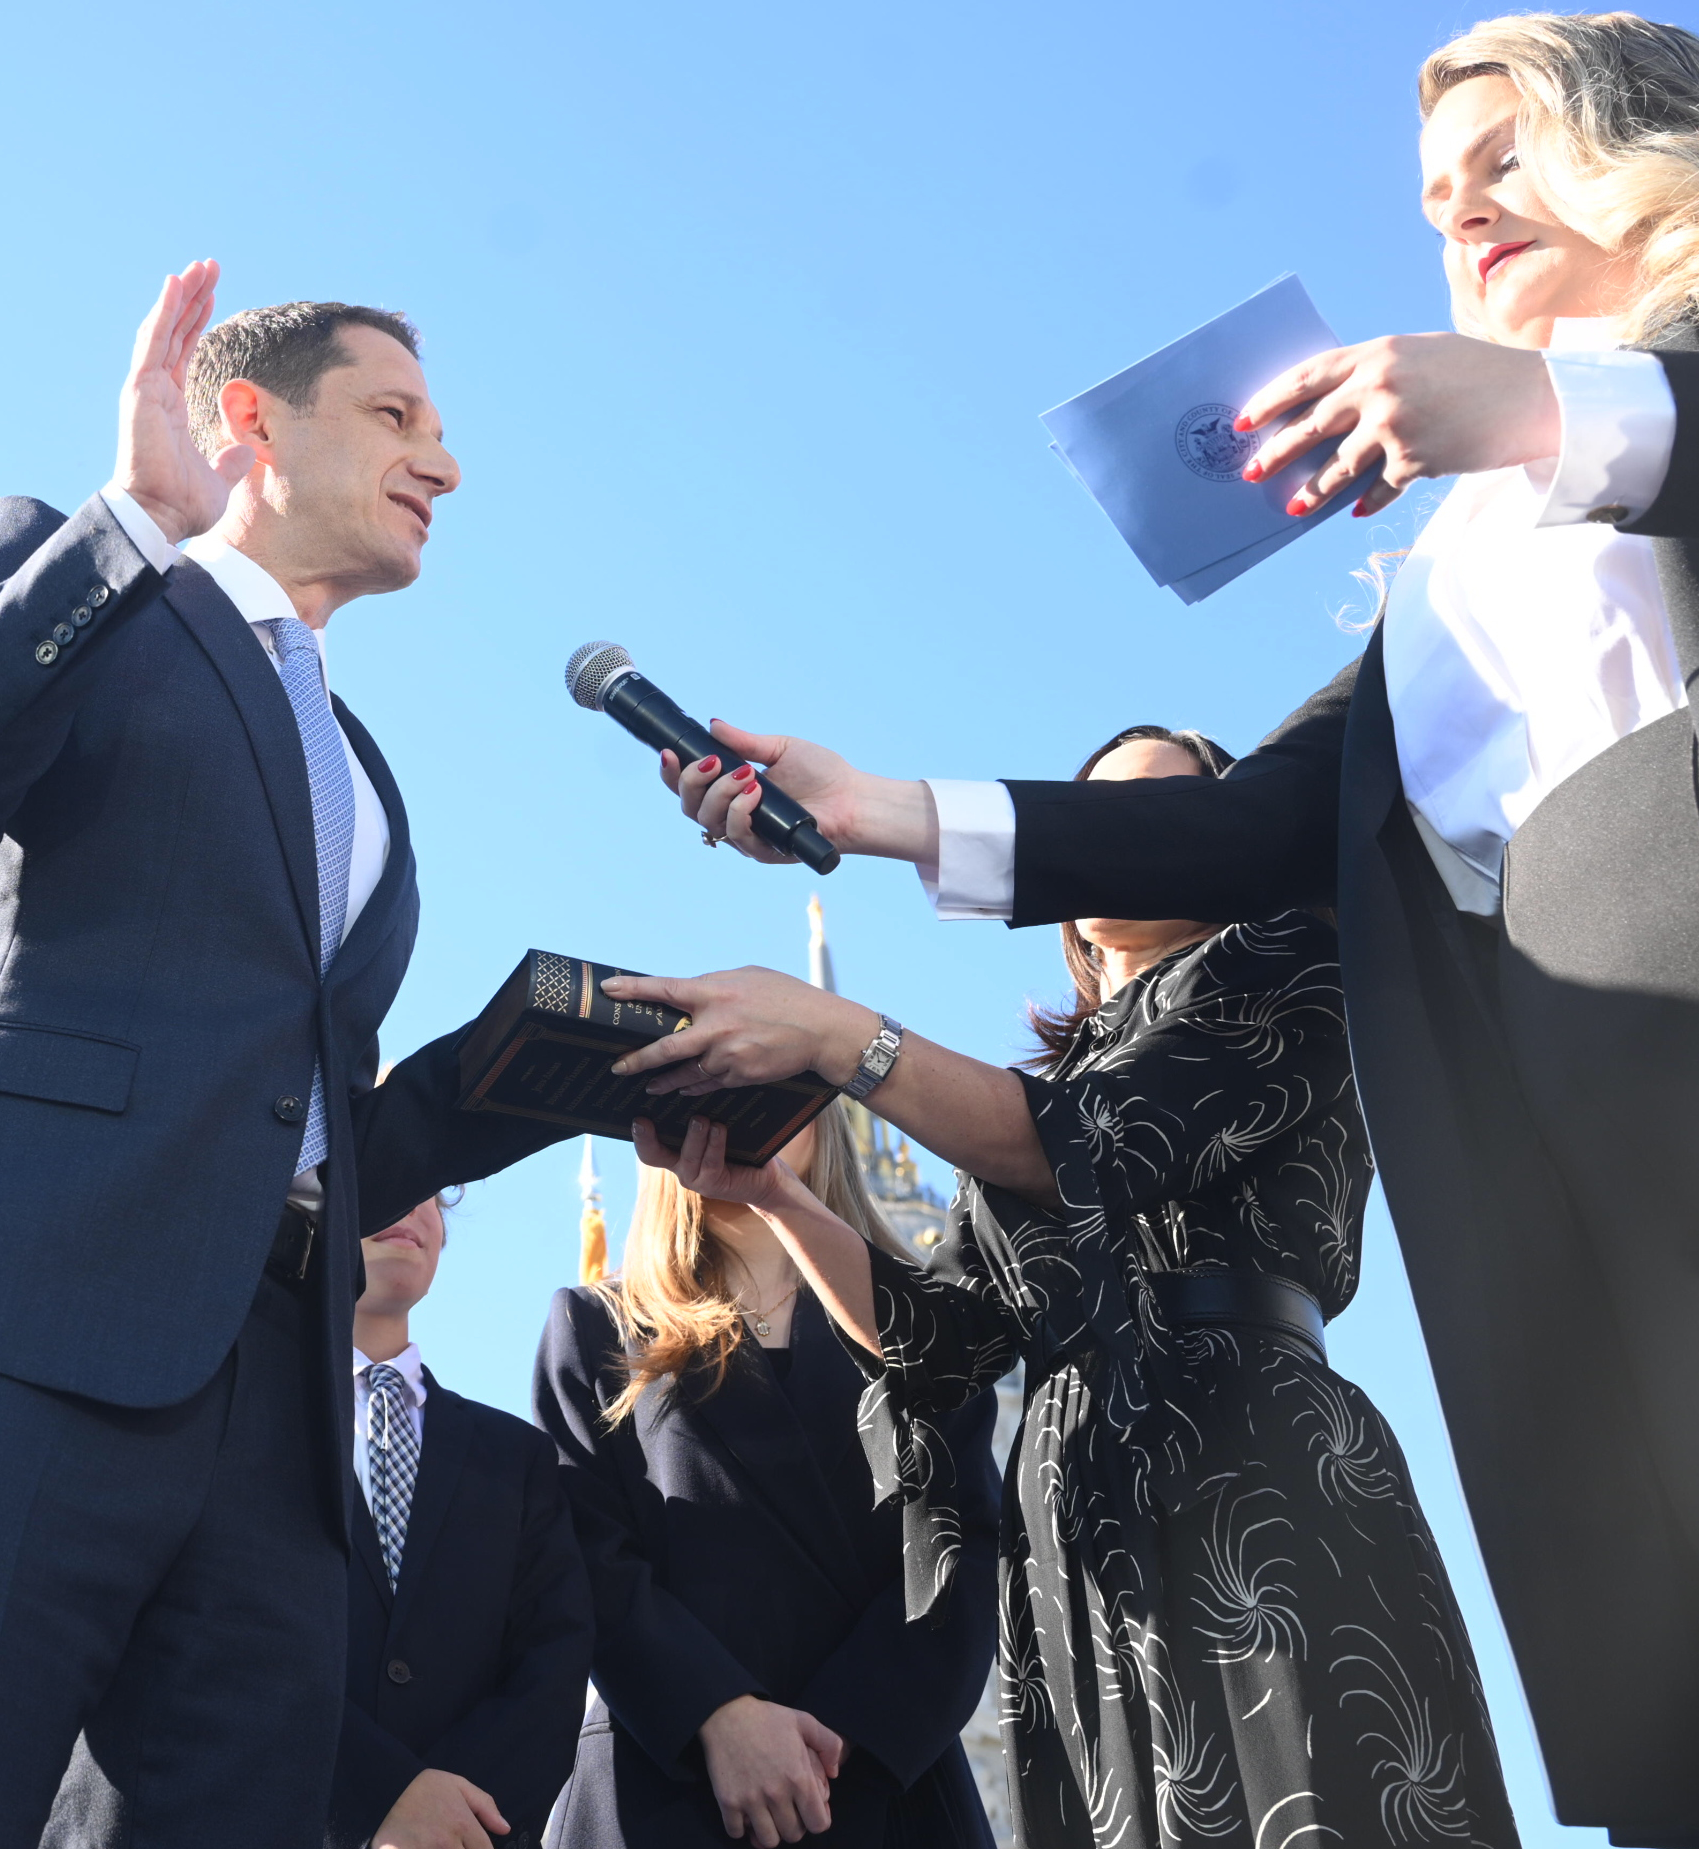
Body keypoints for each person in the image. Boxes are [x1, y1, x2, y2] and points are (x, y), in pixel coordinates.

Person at [655, 15, 1699, 1844]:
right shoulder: (1450, 570)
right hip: (1580, 1187)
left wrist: (1543, 410)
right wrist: (880, 811)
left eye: (1506, 155)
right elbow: (1247, 820)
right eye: (1436, 200)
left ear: (1648, 130)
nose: (1467, 212)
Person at [0, 267, 565, 1849]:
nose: (443, 463)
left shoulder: (368, 776)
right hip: (6, 1335)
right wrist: (125, 524)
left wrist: (559, 1069)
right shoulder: (73, 568)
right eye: (397, 417)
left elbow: (296, 1118)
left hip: (269, 1427)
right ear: (249, 420)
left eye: (445, 431)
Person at [609, 726, 1512, 1849]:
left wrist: (844, 1038)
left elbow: (1094, 1142)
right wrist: (783, 1201)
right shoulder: (1042, 1087)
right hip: (1079, 1529)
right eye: (1098, 822)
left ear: (1225, 842)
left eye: (1157, 816)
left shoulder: (1293, 967)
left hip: (1248, 1477)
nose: (1118, 844)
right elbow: (931, 1337)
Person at [532, 1110, 1001, 1849]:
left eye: (775, 1082)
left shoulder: (923, 1330)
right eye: (712, 1091)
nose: (746, 1110)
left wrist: (834, 1743)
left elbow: (966, 1552)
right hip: (668, 1785)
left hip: (879, 1786)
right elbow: (584, 1558)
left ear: (823, 1118)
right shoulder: (595, 1326)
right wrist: (719, 1715)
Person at [333, 1193, 595, 1849]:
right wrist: (379, 1793)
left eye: (435, 1192)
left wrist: (455, 1819)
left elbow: (553, 1661)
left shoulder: (515, 1456)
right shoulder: (237, 1416)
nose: (411, 1202)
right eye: (382, 1173)